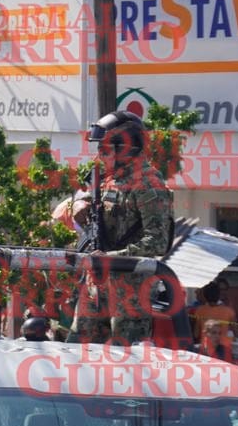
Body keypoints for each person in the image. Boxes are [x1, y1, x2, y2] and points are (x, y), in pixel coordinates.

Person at [68, 111, 174, 346]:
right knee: (76, 353)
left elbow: (158, 242)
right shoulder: (107, 177)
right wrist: (78, 203)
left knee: (124, 363)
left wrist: (112, 259)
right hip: (96, 284)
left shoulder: (149, 185)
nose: (99, 156)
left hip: (130, 292)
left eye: (105, 150)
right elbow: (82, 193)